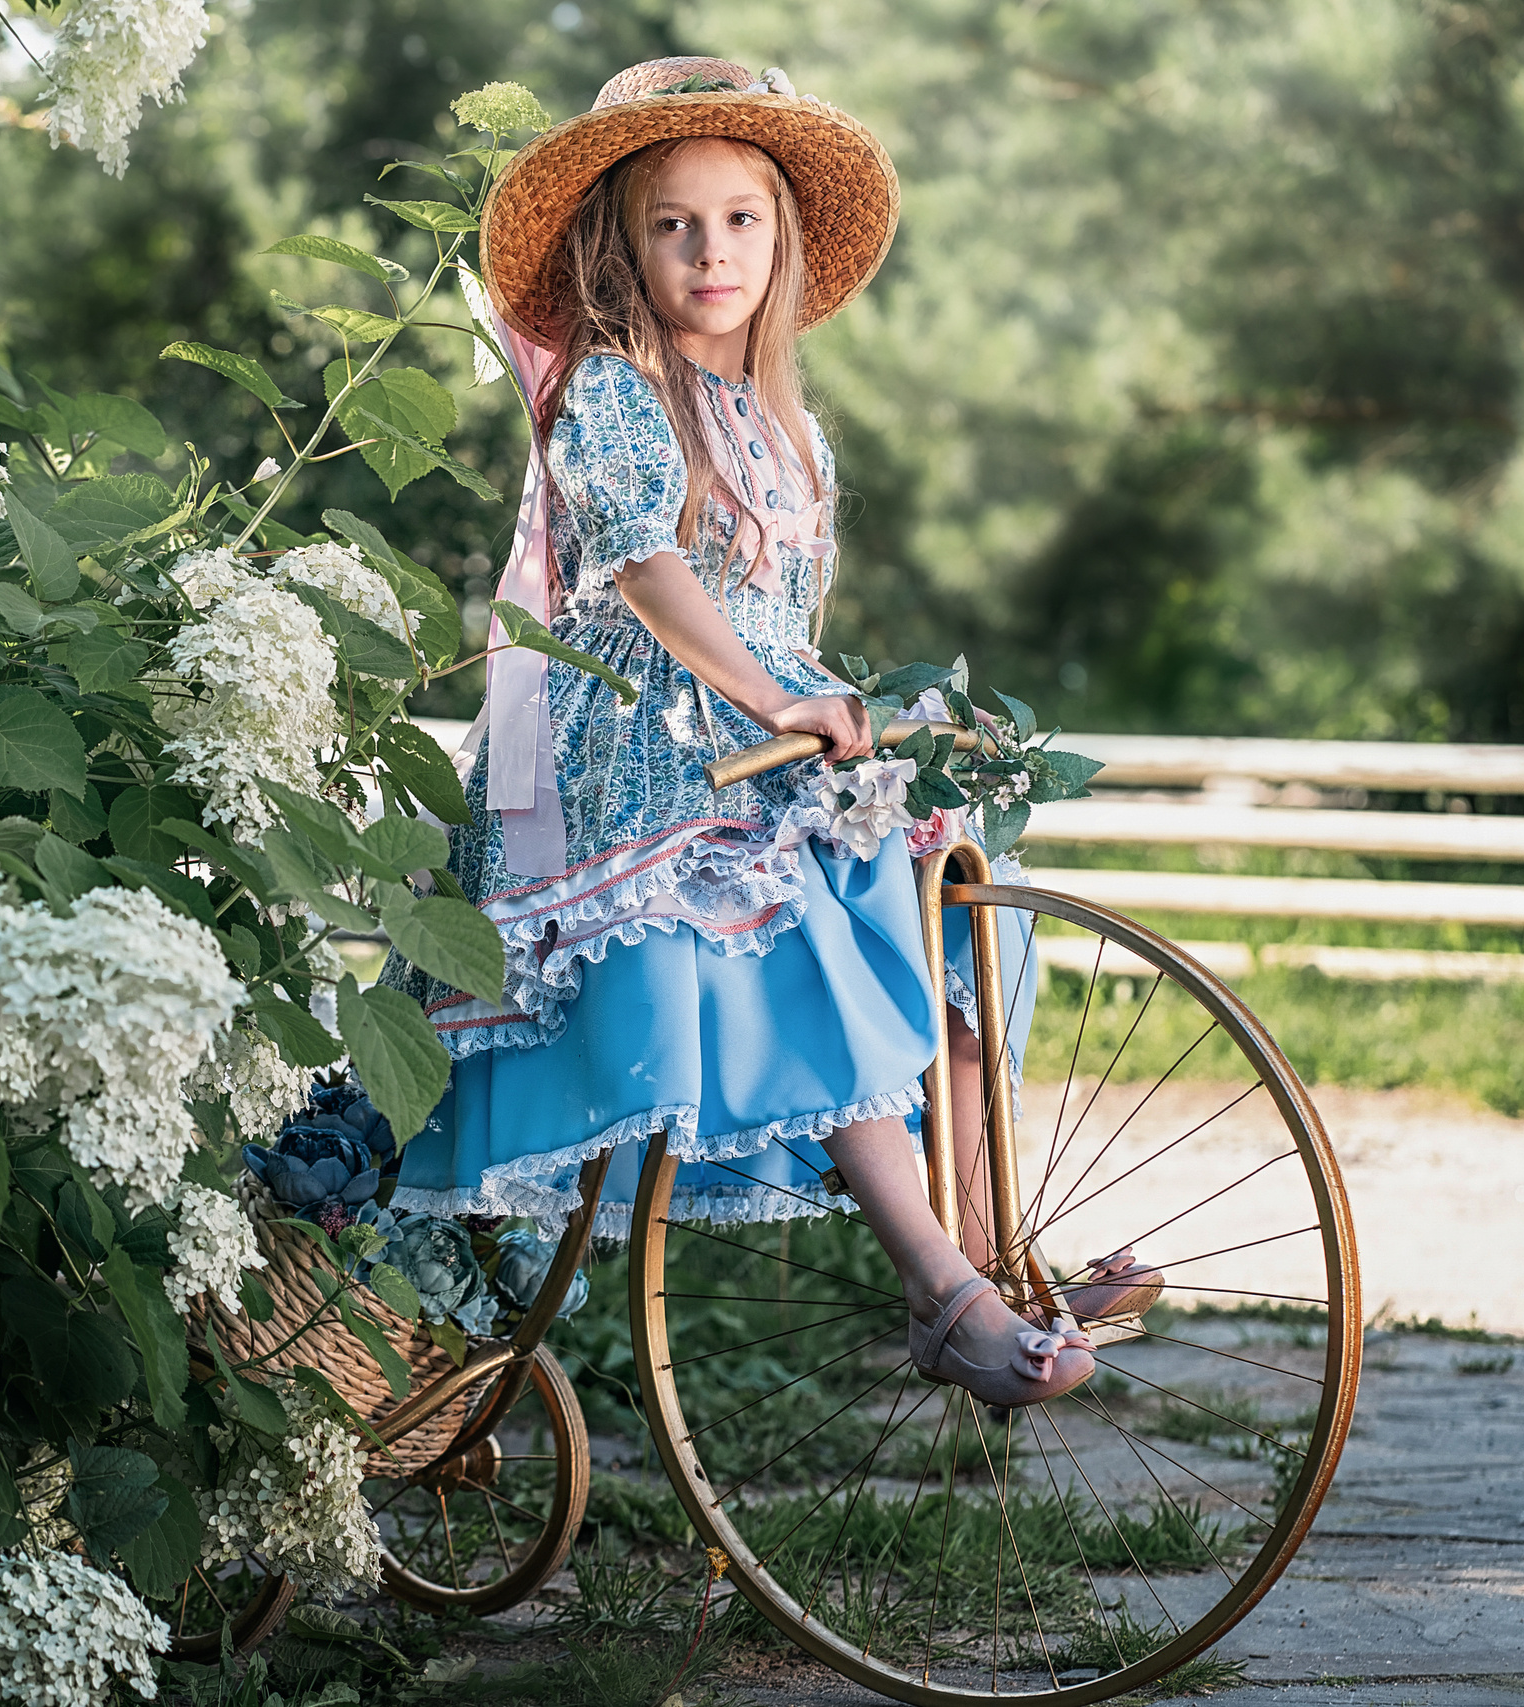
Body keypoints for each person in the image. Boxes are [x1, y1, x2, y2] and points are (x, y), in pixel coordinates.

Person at [385, 58, 1154, 1408]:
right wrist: (773, 699)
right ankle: (939, 1283)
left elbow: (779, 614)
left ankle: (993, 1253)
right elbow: (649, 576)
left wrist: (873, 728)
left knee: (959, 899)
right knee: (791, 919)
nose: (710, 250)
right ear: (626, 247)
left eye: (741, 219)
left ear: (782, 238)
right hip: (634, 750)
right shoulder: (615, 394)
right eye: (673, 223)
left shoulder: (784, 422)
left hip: (761, 730)